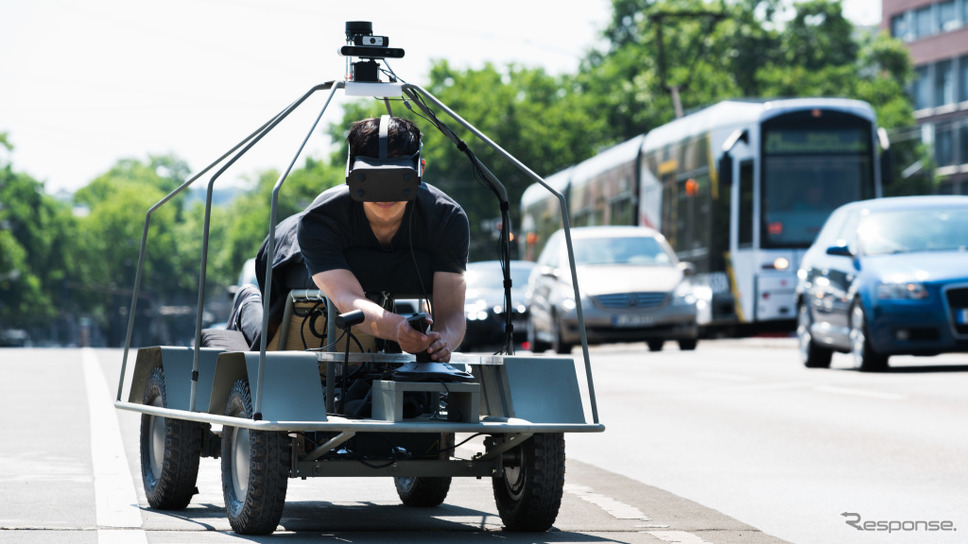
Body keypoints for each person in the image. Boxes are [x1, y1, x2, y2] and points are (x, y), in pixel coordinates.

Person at [226, 116, 468, 363]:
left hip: (382, 264)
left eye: (396, 178)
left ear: (420, 170)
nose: (384, 193)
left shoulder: (447, 218)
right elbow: (346, 298)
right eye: (371, 178)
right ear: (351, 172)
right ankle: (247, 304)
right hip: (294, 252)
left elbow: (452, 312)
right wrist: (396, 328)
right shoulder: (319, 219)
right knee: (277, 341)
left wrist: (442, 340)